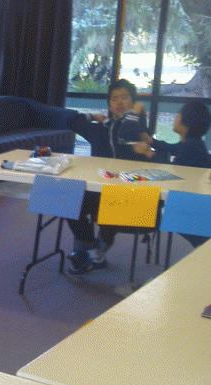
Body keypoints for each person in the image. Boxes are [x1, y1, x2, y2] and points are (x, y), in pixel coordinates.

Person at [65, 78, 151, 274]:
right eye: (114, 99)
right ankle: (89, 247)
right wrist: (93, 116)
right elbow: (70, 120)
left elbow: (131, 133)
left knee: (112, 207)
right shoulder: (100, 130)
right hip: (98, 190)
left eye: (124, 98)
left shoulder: (138, 131)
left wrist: (136, 115)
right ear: (110, 105)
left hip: (129, 195)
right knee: (65, 196)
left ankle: (94, 253)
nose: (119, 102)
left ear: (134, 102)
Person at [133, 100, 211, 247]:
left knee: (136, 205)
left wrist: (149, 153)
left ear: (186, 122)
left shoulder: (192, 146)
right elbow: (171, 148)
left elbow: (169, 173)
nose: (174, 119)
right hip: (193, 202)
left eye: (178, 116)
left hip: (193, 211)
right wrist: (151, 141)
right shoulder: (192, 142)